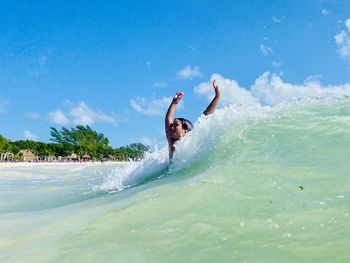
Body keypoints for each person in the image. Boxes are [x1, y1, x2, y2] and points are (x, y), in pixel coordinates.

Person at [165, 79, 221, 159]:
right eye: (172, 126)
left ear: (186, 130)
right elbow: (168, 119)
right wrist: (174, 102)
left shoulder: (191, 140)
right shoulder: (171, 142)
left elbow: (204, 117)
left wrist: (217, 96)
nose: (172, 128)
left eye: (176, 125)